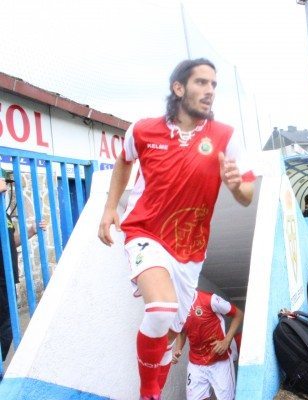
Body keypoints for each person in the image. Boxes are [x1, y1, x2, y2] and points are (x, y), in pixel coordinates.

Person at [97, 58, 255, 400]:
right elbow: (124, 159)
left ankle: (153, 386)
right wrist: (110, 208)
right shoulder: (142, 130)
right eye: (201, 82)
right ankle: (148, 394)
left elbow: (247, 194)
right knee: (161, 309)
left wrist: (235, 184)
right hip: (145, 233)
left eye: (214, 84)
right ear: (178, 88)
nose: (210, 91)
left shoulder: (225, 137)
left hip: (190, 252)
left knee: (168, 330)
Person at [1, 176, 47, 378]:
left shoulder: (5, 216)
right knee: (6, 324)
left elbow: (11, 242)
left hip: (9, 277)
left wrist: (31, 231)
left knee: (7, 324)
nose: (6, 188)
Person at [172, 290, 244, 400]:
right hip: (196, 363)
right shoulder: (176, 307)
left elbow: (238, 314)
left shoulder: (209, 299)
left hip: (220, 360)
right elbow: (182, 331)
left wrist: (226, 341)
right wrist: (178, 349)